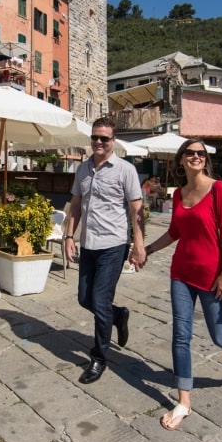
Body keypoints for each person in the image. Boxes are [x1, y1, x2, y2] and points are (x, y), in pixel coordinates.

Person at [136, 138, 222, 431]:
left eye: (201, 153)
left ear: (206, 159)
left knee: (220, 335)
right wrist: (147, 250)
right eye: (190, 152)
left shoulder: (219, 190)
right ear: (181, 160)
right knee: (180, 335)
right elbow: (175, 231)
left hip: (213, 276)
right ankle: (184, 402)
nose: (196, 157)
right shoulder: (179, 195)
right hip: (181, 274)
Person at [64, 117, 144, 385]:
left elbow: (136, 210)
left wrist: (139, 244)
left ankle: (99, 357)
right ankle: (118, 315)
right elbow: (75, 204)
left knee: (99, 301)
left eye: (105, 138)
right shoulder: (82, 170)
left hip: (114, 244)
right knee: (84, 298)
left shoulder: (125, 170)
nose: (99, 142)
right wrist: (68, 236)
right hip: (88, 244)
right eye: (95, 137)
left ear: (113, 141)